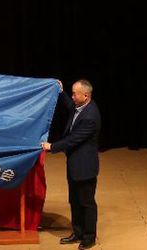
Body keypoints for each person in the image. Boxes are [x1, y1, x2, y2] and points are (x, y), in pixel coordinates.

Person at [42, 79, 101, 250]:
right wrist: (60, 92)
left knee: (86, 203)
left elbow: (73, 140)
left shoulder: (91, 116)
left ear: (85, 96)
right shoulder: (79, 106)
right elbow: (70, 106)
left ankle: (89, 237)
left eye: (75, 94)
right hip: (74, 165)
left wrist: (52, 146)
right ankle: (78, 232)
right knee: (74, 201)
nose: (72, 97)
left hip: (85, 167)